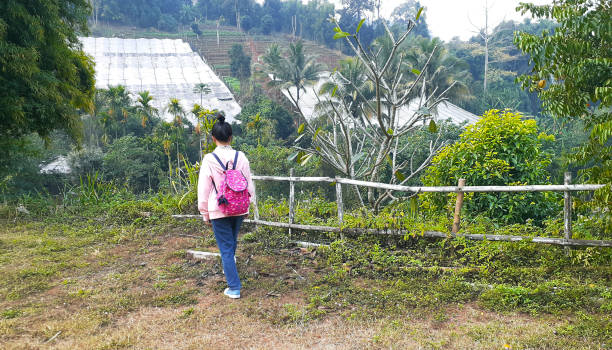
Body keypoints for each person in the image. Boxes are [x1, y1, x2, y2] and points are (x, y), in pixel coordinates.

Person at [197, 113, 254, 299]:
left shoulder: (209, 159)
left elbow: (204, 188)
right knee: (231, 244)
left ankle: (234, 287)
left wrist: (204, 212)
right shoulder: (241, 157)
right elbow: (249, 183)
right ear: (231, 137)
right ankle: (231, 267)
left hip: (218, 208)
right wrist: (247, 206)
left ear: (213, 138)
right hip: (239, 207)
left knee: (226, 249)